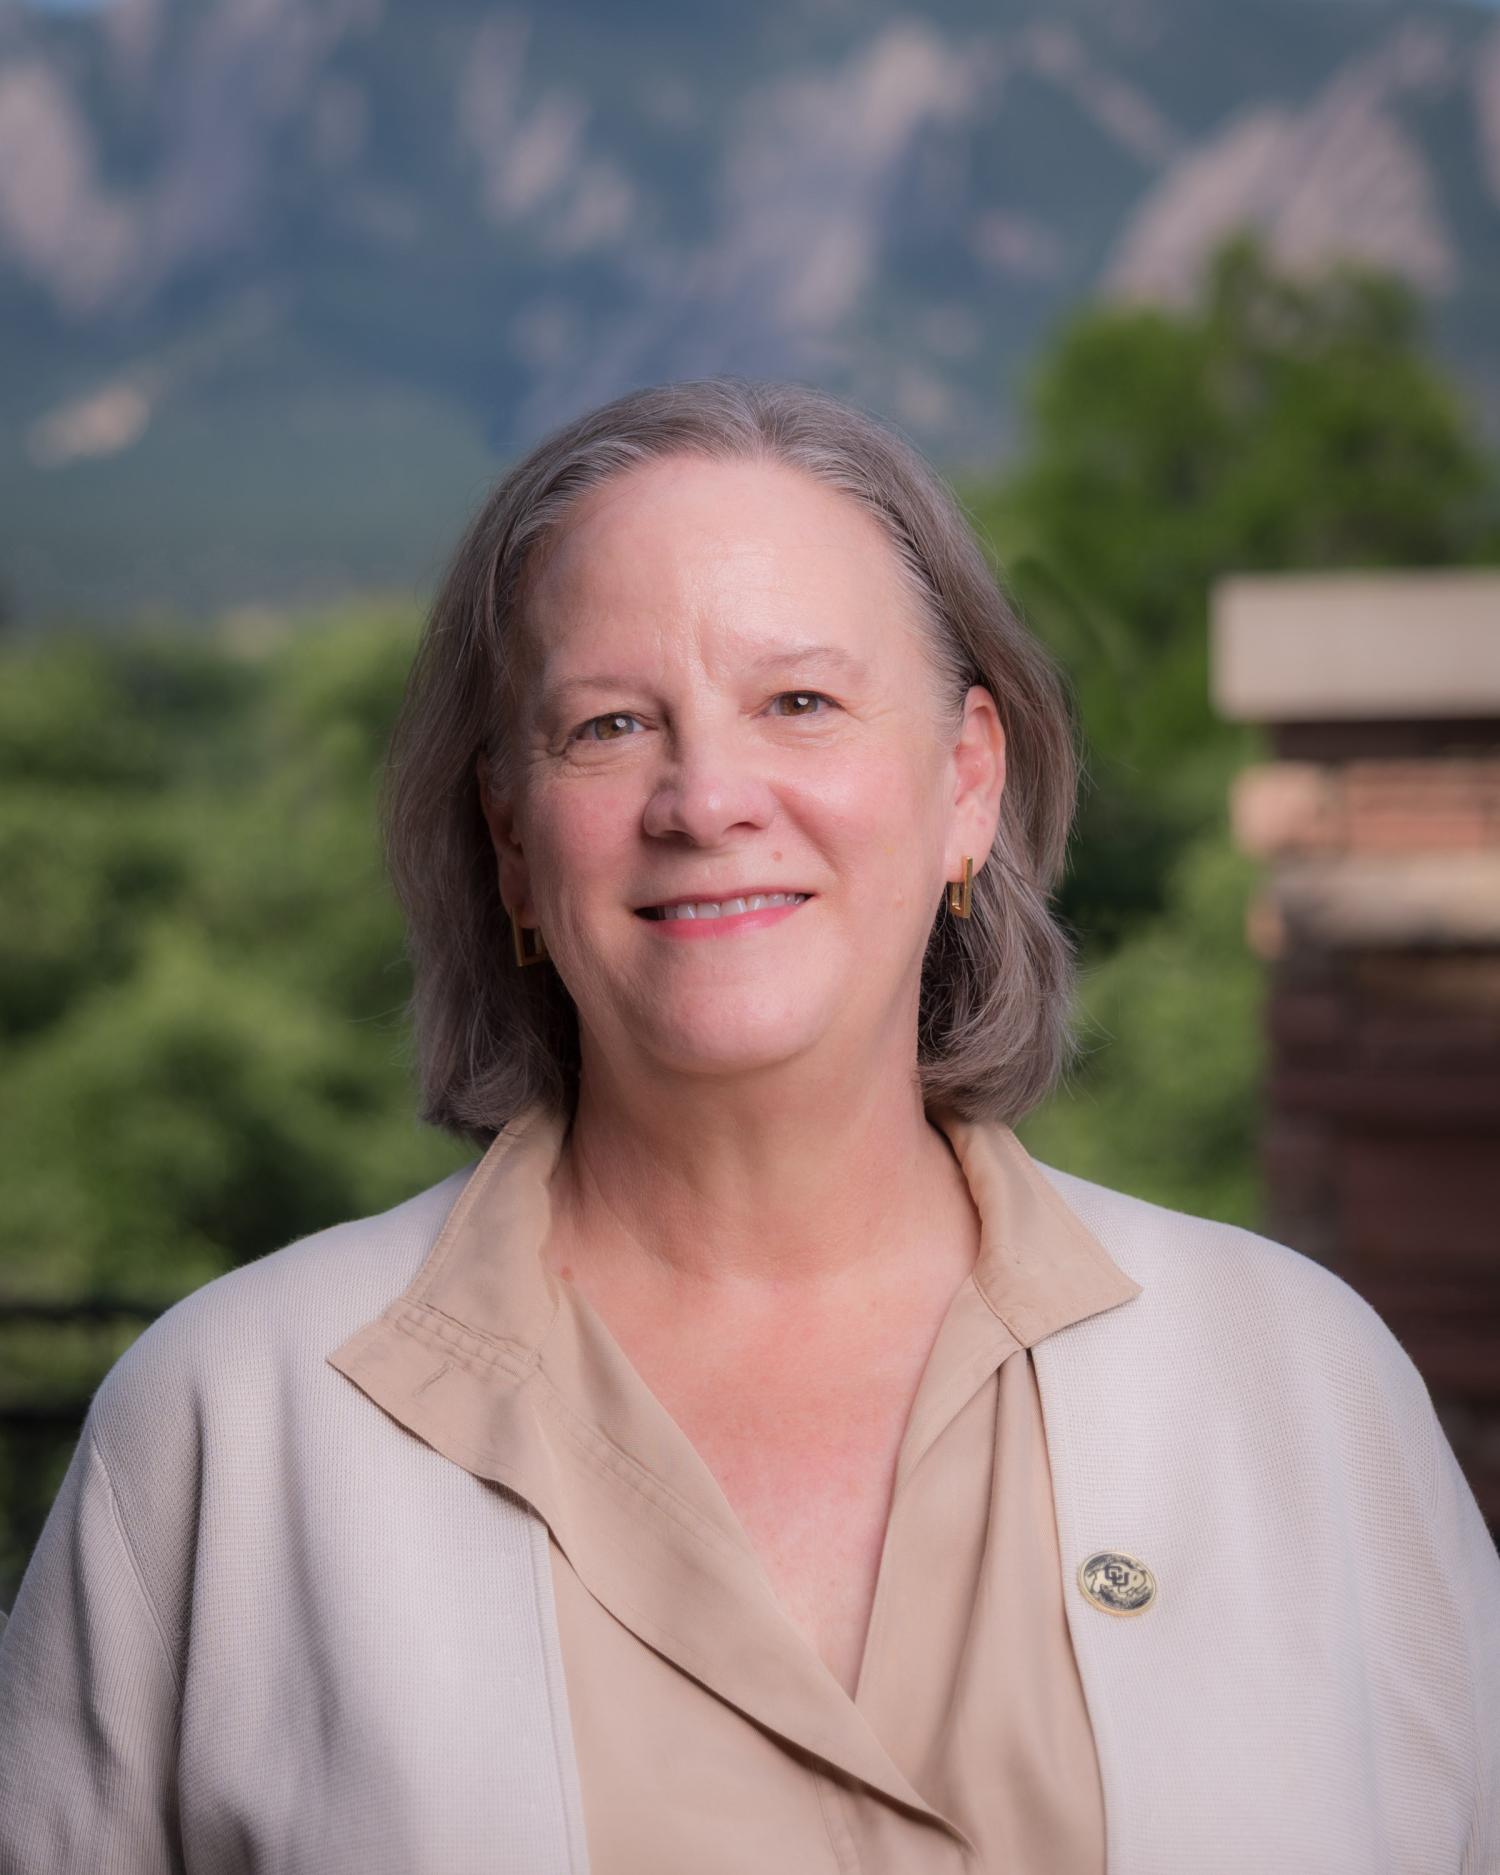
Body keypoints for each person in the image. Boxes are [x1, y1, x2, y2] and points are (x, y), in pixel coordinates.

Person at [0, 376, 1495, 1875]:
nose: (706, 796)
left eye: (799, 702)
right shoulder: (226, 1427)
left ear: (968, 783)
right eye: (608, 726)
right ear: (513, 846)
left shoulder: (1299, 1385)